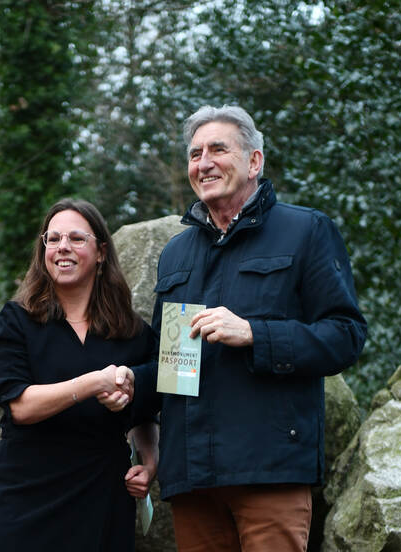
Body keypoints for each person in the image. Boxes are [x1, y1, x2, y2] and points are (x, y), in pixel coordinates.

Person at [149, 105, 367, 551]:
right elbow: (168, 365)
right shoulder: (175, 254)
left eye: (217, 149)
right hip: (192, 481)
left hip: (270, 471)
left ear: (254, 162)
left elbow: (345, 336)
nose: (203, 162)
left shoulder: (306, 231)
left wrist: (255, 334)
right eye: (194, 154)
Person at [0, 198, 159, 552]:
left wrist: (150, 462)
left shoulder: (133, 331)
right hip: (23, 498)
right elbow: (21, 407)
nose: (62, 247)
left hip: (101, 496)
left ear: (101, 251)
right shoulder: (16, 321)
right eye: (53, 238)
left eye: (77, 238)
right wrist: (94, 382)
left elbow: (146, 409)